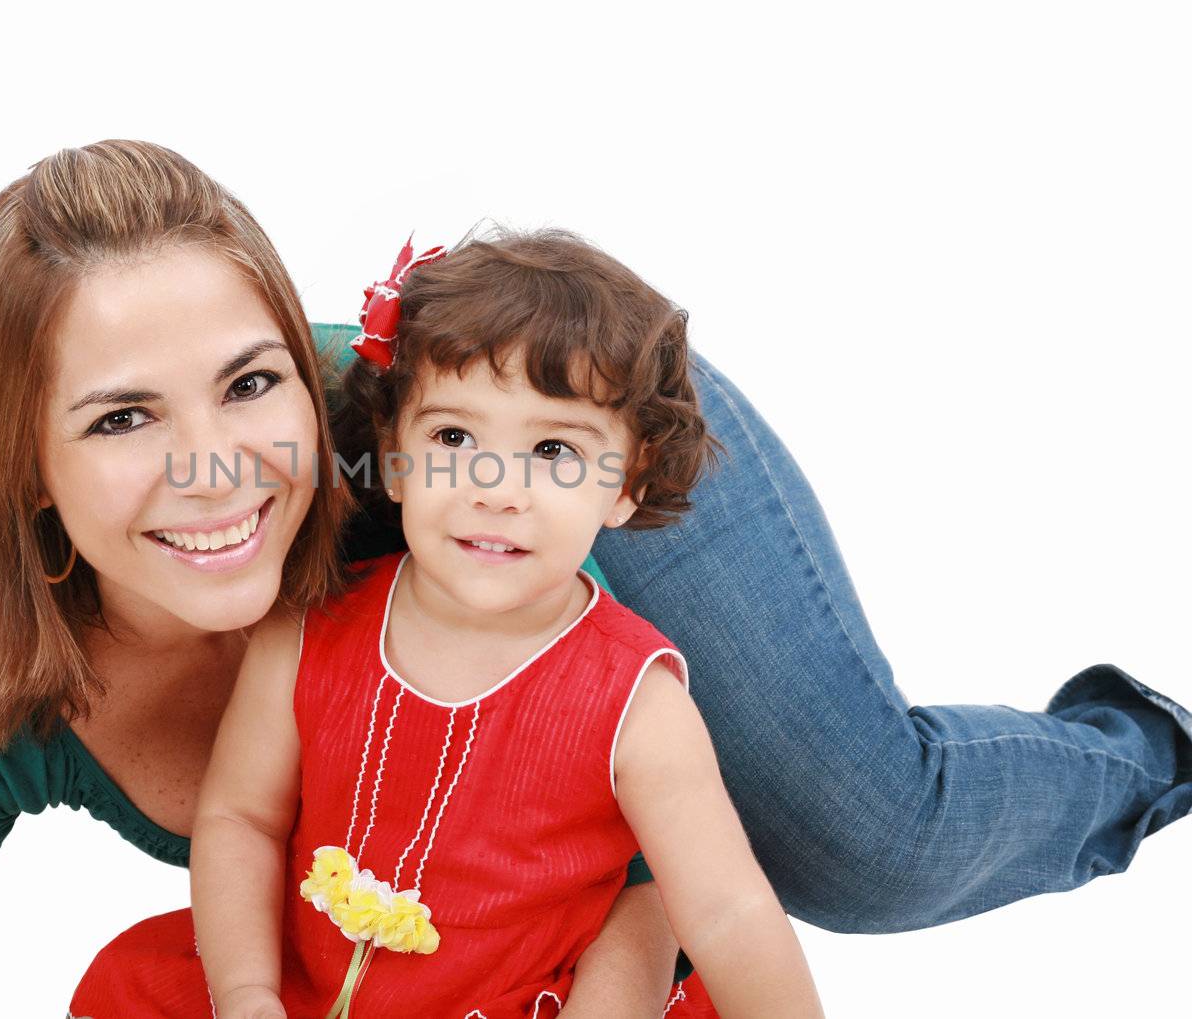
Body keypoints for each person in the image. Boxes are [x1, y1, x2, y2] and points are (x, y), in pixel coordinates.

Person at [0, 140, 1192, 1019]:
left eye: (250, 383)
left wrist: (632, 955)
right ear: (16, 459)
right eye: (119, 417)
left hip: (574, 417)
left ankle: (1149, 744)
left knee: (867, 840)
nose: (214, 469)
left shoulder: (455, 469)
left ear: (320, 383)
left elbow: (632, 789)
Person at [68, 231, 824, 1018]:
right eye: (455, 438)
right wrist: (248, 994)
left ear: (625, 486)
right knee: (127, 988)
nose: (496, 489)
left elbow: (727, 910)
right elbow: (241, 819)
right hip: (303, 977)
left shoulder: (639, 702)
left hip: (510, 998)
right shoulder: (305, 631)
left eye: (554, 450)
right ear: (394, 457)